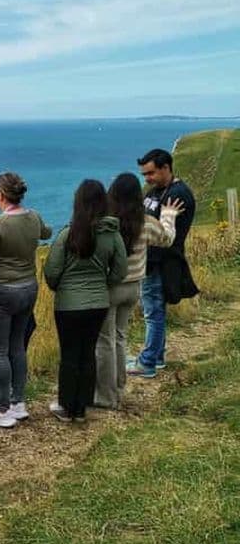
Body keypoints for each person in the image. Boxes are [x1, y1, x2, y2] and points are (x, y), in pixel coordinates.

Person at [92, 173, 182, 408]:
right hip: (133, 288)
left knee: (104, 341)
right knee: (120, 337)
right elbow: (167, 239)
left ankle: (105, 395)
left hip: (109, 287)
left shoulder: (105, 222)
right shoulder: (145, 221)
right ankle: (119, 387)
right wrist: (168, 216)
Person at [0, 172, 52, 427]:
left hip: (0, 292)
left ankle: (2, 407)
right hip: (28, 287)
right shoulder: (33, 217)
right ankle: (18, 402)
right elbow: (46, 232)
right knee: (17, 346)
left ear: (1, 194)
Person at [44, 180, 128, 422]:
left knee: (70, 354)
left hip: (68, 305)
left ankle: (66, 406)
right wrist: (104, 284)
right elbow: (120, 270)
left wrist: (59, 287)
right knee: (88, 352)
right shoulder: (112, 234)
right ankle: (82, 408)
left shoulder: (67, 234)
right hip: (98, 303)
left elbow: (52, 271)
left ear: (77, 202)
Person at [128, 149, 197, 378]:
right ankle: (156, 357)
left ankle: (147, 362)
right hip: (151, 261)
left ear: (166, 168)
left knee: (153, 312)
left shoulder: (176, 194)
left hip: (160, 262)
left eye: (151, 173)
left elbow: (165, 234)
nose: (146, 178)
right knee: (154, 310)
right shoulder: (157, 191)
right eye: (144, 174)